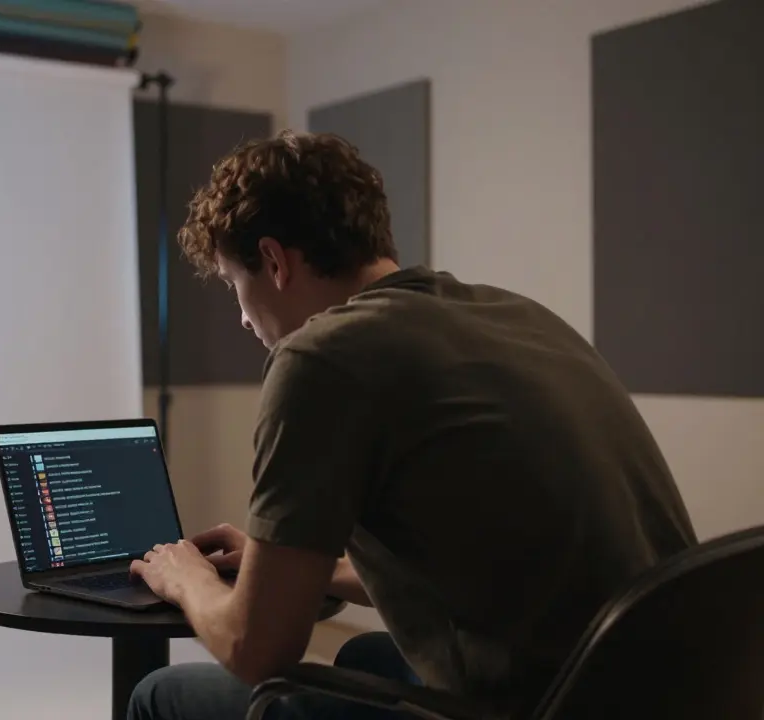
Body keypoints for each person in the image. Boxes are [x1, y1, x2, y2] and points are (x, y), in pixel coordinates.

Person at [126, 130, 697, 720]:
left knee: (159, 695)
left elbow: (256, 649)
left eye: (232, 285)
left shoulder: (320, 358)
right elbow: (483, 570)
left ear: (273, 261)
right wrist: (286, 570)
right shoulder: (515, 316)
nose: (243, 317)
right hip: (663, 690)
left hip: (538, 708)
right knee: (366, 656)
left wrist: (185, 577)